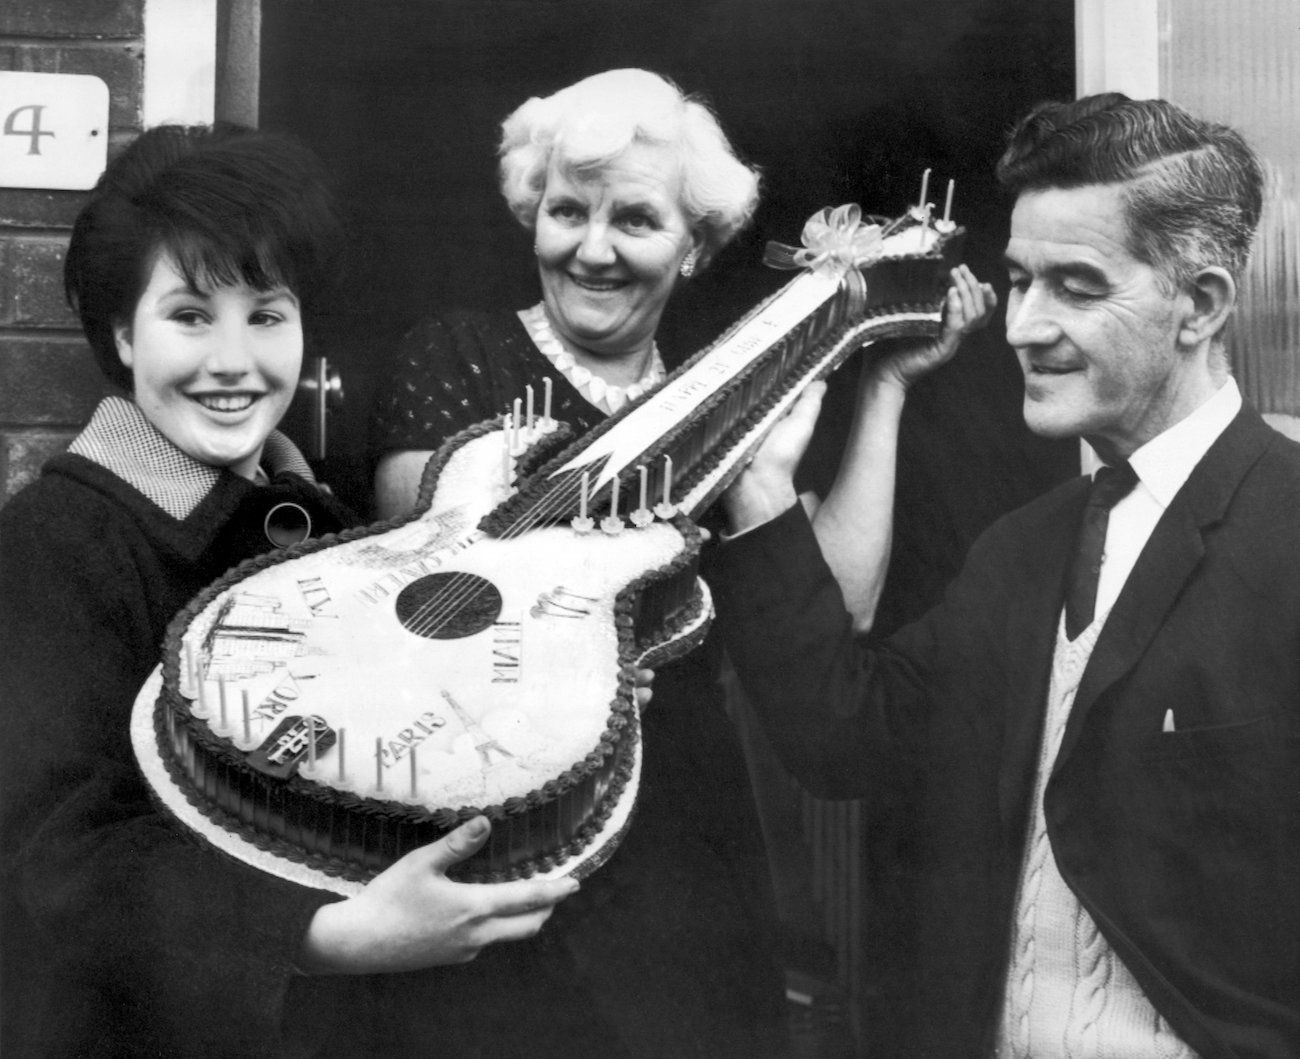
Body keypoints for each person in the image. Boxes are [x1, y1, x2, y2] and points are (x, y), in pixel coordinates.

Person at [710, 93, 1300, 1057]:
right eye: (1019, 280)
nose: (1023, 326)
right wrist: (765, 489)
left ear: (1200, 305)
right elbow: (837, 735)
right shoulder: (1020, 549)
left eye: (1074, 285)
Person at [0, 123, 589, 1059]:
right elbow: (57, 864)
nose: (234, 361)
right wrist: (322, 938)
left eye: (266, 314)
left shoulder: (330, 522)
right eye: (190, 315)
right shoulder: (54, 543)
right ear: (121, 332)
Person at [370, 66, 798, 1058]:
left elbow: (814, 621)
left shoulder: (724, 401)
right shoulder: (453, 355)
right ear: (531, 213)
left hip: (685, 834)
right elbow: (424, 580)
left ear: (694, 249)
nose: (591, 249)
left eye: (636, 220)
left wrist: (880, 399)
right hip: (494, 826)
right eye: (567, 209)